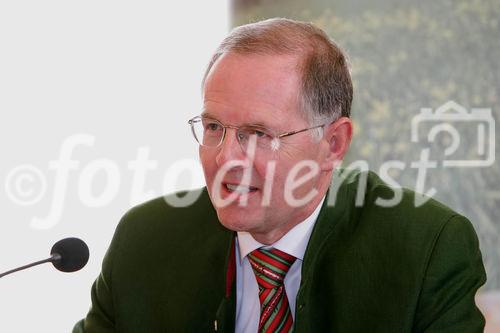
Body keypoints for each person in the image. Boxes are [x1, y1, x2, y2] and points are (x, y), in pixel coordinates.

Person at [73, 18, 486, 332]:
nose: (226, 158)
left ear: (334, 144)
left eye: (257, 134)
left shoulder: (427, 250)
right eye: (214, 127)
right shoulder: (143, 241)